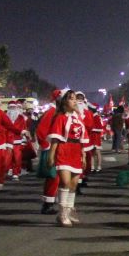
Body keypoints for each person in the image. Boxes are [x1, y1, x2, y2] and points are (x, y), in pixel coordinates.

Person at [46, 89, 88, 227]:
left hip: (76, 152)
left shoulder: (78, 118)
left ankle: (69, 210)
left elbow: (83, 138)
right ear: (64, 101)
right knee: (64, 182)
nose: (74, 101)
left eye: (75, 98)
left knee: (74, 184)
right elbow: (55, 139)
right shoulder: (60, 118)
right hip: (64, 150)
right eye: (71, 98)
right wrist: (51, 156)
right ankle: (62, 213)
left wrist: (84, 155)